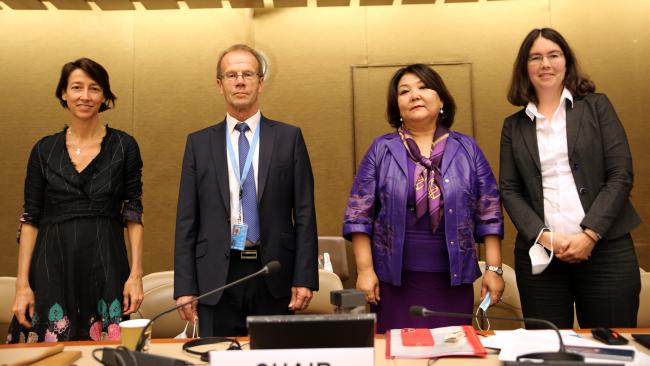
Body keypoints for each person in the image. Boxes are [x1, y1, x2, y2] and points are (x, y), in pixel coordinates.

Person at [343, 64, 504, 333]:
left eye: (423, 87)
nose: (414, 95)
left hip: (453, 280)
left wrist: (494, 269)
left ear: (441, 99)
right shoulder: (381, 149)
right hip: (394, 281)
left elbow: (489, 212)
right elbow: (359, 214)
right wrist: (364, 270)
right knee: (396, 354)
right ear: (397, 107)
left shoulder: (467, 149)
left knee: (451, 355)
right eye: (404, 91)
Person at [500, 28, 641, 329]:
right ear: (525, 68)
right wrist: (544, 235)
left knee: (611, 346)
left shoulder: (597, 106)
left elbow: (620, 174)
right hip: (542, 256)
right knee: (547, 351)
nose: (545, 64)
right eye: (535, 57)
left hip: (606, 250)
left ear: (566, 61)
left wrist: (590, 235)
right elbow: (509, 190)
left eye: (553, 55)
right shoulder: (513, 126)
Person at [173, 44, 318, 337]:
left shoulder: (289, 138)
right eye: (231, 75)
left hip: (274, 273)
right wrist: (185, 286)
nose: (240, 81)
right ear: (220, 85)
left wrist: (305, 277)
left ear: (260, 83)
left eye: (248, 74)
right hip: (216, 278)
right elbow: (186, 220)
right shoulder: (198, 144)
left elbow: (304, 213)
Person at [8, 58, 144, 343]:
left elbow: (133, 213)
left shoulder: (124, 146)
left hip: (107, 264)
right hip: (51, 266)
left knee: (109, 354)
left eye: (94, 88)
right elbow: (30, 219)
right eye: (77, 87)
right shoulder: (44, 150)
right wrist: (22, 284)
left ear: (104, 96)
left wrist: (136, 274)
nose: (85, 96)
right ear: (63, 93)